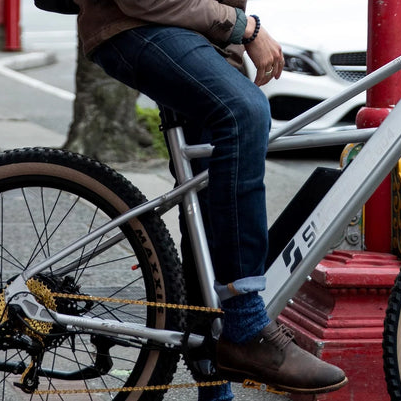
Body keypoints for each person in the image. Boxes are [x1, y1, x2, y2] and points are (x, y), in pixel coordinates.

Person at [75, 1, 348, 400]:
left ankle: (215, 388)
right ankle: (247, 324)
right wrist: (246, 28)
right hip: (139, 21)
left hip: (199, 37)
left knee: (206, 209)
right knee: (244, 112)